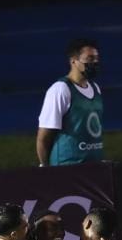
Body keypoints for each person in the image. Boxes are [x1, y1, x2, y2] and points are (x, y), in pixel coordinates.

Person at [35, 39, 104, 167]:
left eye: (96, 58)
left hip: (94, 167)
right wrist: (45, 169)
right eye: (89, 58)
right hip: (67, 168)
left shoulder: (95, 88)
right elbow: (43, 137)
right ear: (73, 60)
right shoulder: (60, 89)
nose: (95, 62)